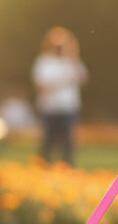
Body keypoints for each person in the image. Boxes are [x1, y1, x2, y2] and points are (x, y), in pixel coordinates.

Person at [32, 27, 88, 165]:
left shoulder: (72, 61)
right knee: (48, 143)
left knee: (68, 145)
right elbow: (41, 87)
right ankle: (43, 169)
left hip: (68, 108)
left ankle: (67, 169)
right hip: (50, 108)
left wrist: (72, 56)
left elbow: (83, 79)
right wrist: (63, 82)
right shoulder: (44, 61)